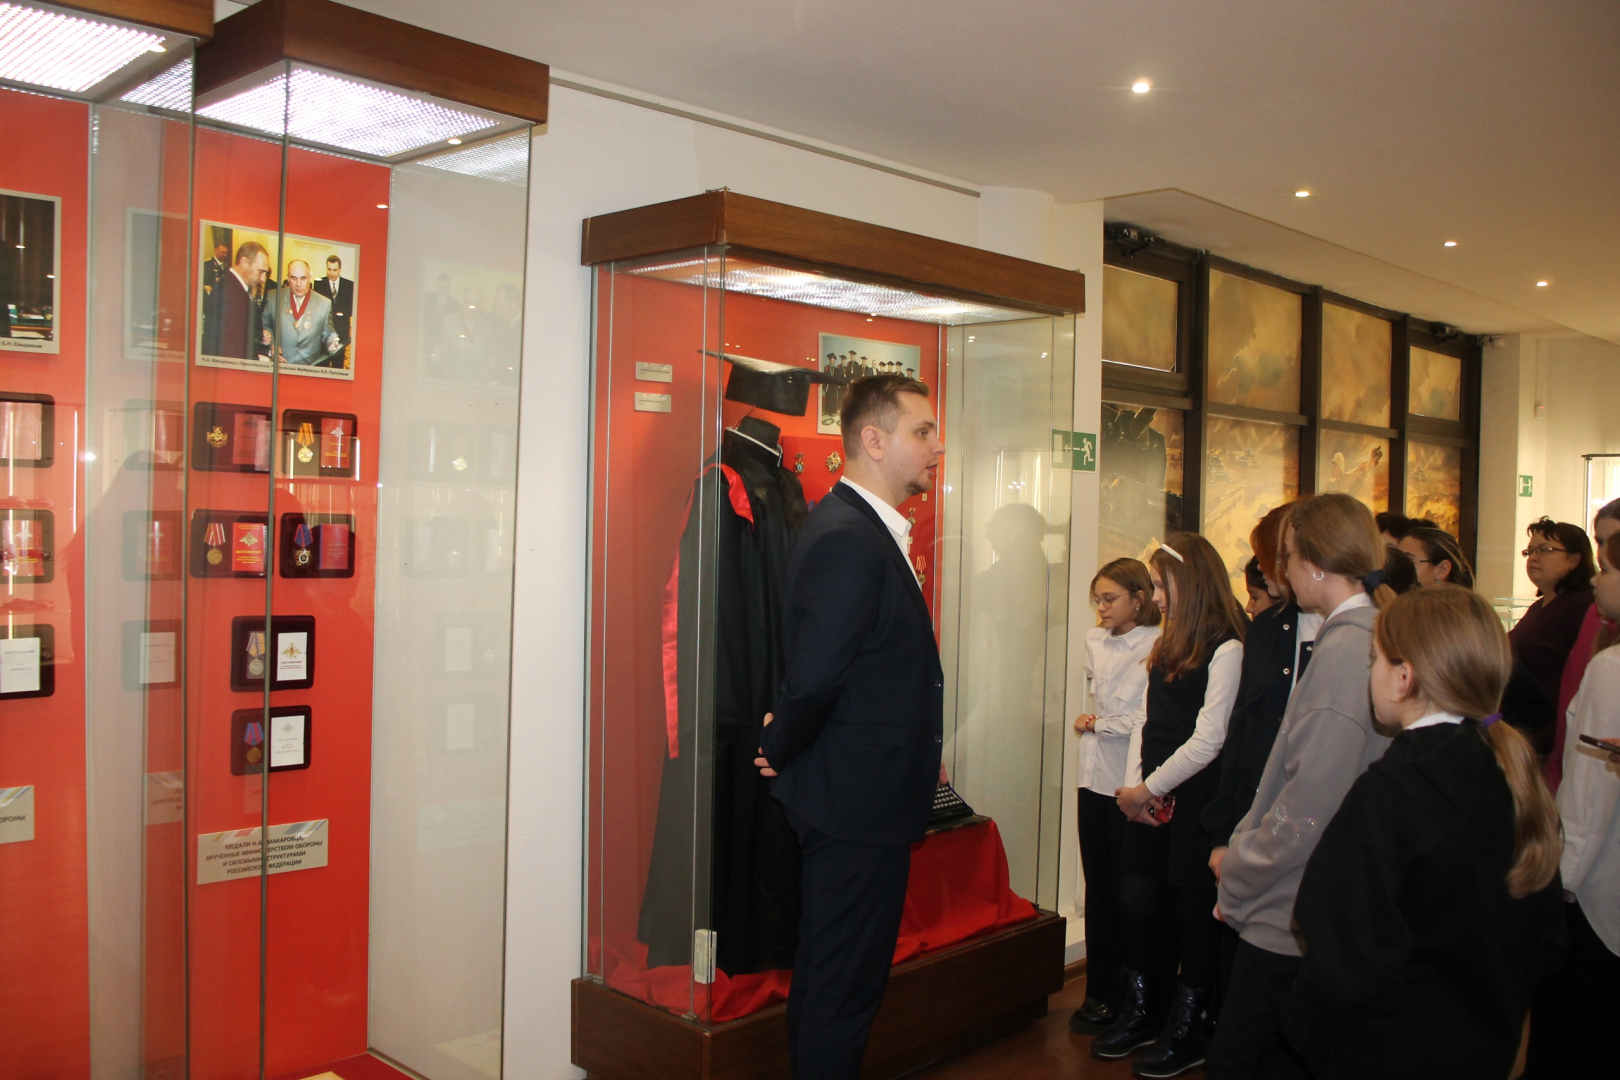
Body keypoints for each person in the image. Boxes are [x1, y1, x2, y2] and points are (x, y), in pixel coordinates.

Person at [1281, 586, 1566, 1079]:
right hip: (1484, 1048)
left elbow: (1340, 944)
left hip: (1389, 1051)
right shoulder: (1514, 778)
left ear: (1403, 677)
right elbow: (1546, 942)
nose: (1370, 671)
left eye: (1375, 658)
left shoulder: (1391, 793)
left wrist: (1311, 1036)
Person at [754, 374, 945, 1080]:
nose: (937, 447)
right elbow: (815, 675)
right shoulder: (849, 538)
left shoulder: (859, 529)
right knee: (842, 987)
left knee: (833, 976)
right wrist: (779, 744)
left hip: (857, 795)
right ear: (873, 440)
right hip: (854, 802)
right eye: (922, 432)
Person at [1207, 494, 1396, 1080]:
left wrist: (1241, 867)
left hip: (1292, 903)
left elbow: (1310, 802)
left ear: (1314, 564)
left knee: (1240, 1060)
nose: (1281, 570)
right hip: (1315, 894)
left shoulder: (1346, 650)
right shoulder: (1365, 633)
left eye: (1286, 557)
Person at [1093, 533, 1245, 1079]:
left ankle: (1190, 1027)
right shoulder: (1167, 641)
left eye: (1161, 584)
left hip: (1196, 797)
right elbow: (1145, 718)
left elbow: (1209, 739)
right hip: (1151, 796)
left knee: (1190, 911)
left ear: (1191, 581)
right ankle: (1144, 1011)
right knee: (1137, 899)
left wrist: (1150, 789)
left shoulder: (1228, 645)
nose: (1155, 596)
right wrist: (1135, 790)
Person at [1527, 530, 1620, 1076]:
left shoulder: (1611, 668)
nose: (1597, 583)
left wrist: (1559, 879)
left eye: (1606, 570)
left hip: (1596, 889)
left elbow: (1589, 795)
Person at [1203, 504, 1298, 996]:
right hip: (1252, 820)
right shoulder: (1266, 630)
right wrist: (1225, 833)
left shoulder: (1361, 633)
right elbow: (1242, 734)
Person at [1071, 558, 1162, 1036]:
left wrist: (1096, 724)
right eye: (1098, 600)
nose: (1102, 608)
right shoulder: (1095, 640)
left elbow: (1141, 721)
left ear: (1139, 600)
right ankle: (1100, 992)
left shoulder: (1157, 645)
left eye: (1110, 599)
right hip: (1092, 778)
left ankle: (1136, 999)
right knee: (1099, 889)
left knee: (1132, 895)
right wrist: (1096, 724)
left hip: (1130, 783)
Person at [1398, 525, 1557, 757]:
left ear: (1441, 569)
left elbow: (1533, 704)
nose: (1399, 569)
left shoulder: (1463, 624)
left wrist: (1487, 738)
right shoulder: (1414, 621)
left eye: (1408, 560)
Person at [1549, 498, 1620, 790]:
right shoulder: (1596, 616)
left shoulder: (1611, 663)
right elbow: (1571, 698)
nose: (1603, 551)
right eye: (1599, 542)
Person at [1509, 517, 1596, 705]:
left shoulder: (1582, 605)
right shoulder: (1538, 606)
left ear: (1574, 560)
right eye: (1530, 551)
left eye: (1545, 550)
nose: (1533, 557)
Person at [261, 259, 341, 367]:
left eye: (303, 278)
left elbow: (329, 333)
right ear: (288, 278)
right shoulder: (273, 297)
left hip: (309, 368)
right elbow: (265, 326)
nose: (298, 284)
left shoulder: (324, 303)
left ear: (309, 278)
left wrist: (332, 342)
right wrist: (272, 345)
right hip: (280, 366)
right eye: (294, 278)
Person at [202, 240, 269, 359]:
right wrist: (257, 359)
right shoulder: (230, 292)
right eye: (260, 272)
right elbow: (230, 347)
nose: (263, 279)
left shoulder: (234, 287)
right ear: (244, 262)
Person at [312, 254, 355, 354]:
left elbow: (351, 308)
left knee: (339, 360)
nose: (331, 273)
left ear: (340, 269)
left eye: (335, 270)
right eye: (329, 269)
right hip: (324, 332)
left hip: (342, 330)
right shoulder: (319, 284)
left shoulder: (349, 285)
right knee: (323, 360)